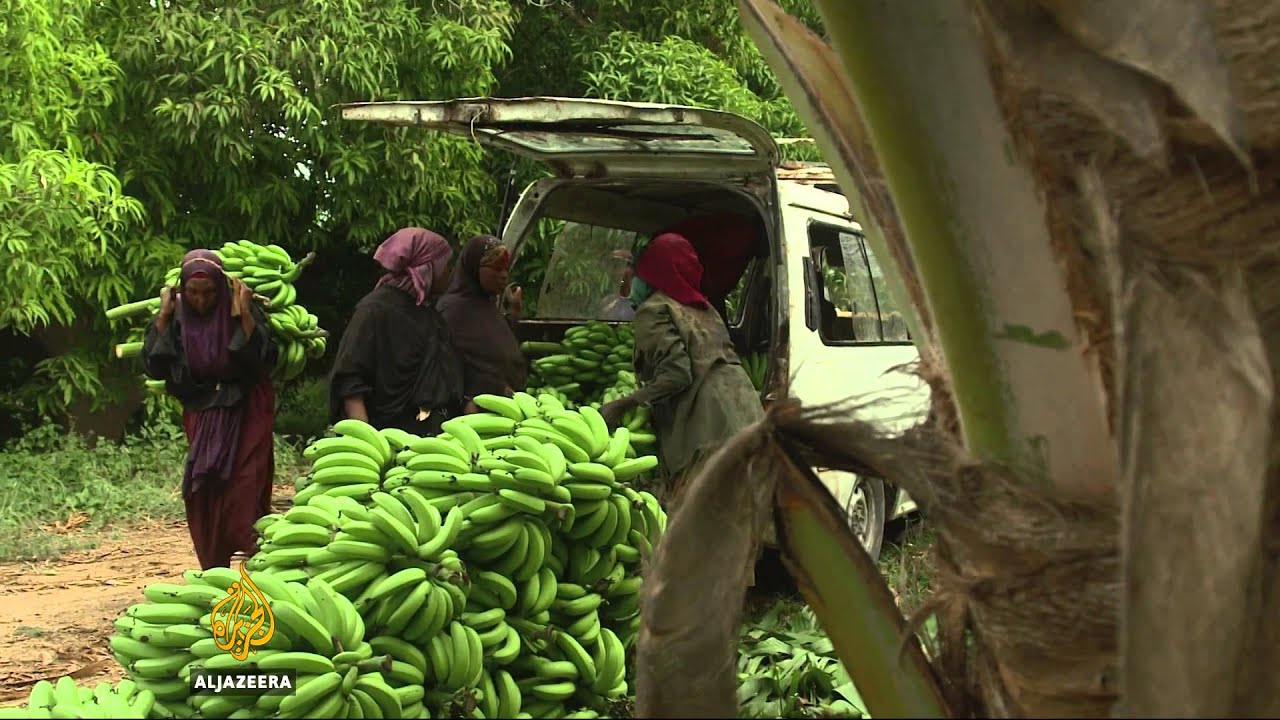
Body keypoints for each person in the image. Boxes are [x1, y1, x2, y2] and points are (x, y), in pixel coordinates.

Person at [598, 232, 765, 506]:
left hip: (707, 428)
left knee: (705, 519)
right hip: (745, 413)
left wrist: (623, 404)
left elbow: (677, 374)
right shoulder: (704, 307)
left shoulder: (654, 309)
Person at [142, 249, 278, 570]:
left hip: (247, 408)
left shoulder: (242, 310)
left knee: (244, 483)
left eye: (208, 293)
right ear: (182, 291)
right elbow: (155, 367)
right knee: (204, 491)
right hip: (203, 411)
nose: (201, 301)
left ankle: (255, 558)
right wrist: (162, 315)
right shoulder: (174, 318)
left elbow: (266, 361)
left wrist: (243, 313)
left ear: (221, 288)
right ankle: (215, 564)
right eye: (193, 293)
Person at [328, 227, 466, 436]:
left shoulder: (427, 312)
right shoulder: (375, 310)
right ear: (427, 268)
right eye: (445, 265)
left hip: (429, 442)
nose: (450, 272)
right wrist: (367, 441)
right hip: (385, 436)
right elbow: (350, 381)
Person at [438, 235, 529, 408]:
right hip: (477, 410)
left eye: (505, 269)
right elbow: (454, 366)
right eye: (496, 269)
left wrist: (513, 314)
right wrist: (493, 387)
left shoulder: (487, 305)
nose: (503, 276)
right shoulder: (452, 310)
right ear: (474, 267)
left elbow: (493, 344)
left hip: (510, 405)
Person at [598, 250, 637, 322]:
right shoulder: (607, 302)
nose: (618, 271)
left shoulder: (643, 303)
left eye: (623, 265)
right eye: (614, 267)